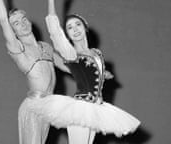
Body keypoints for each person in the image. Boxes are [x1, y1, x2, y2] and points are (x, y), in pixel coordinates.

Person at [28, 0, 141, 144]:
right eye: (69, 27)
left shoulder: (96, 53)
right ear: (67, 35)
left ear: (85, 27)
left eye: (77, 24)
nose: (74, 29)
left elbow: (92, 71)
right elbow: (54, 30)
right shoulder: (71, 53)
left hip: (95, 108)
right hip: (80, 109)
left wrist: (104, 74)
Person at [0, 0, 69, 144]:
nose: (22, 24)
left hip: (47, 107)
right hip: (34, 107)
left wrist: (97, 72)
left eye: (23, 19)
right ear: (13, 31)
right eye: (16, 23)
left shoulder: (46, 47)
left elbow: (68, 67)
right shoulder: (18, 48)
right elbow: (3, 19)